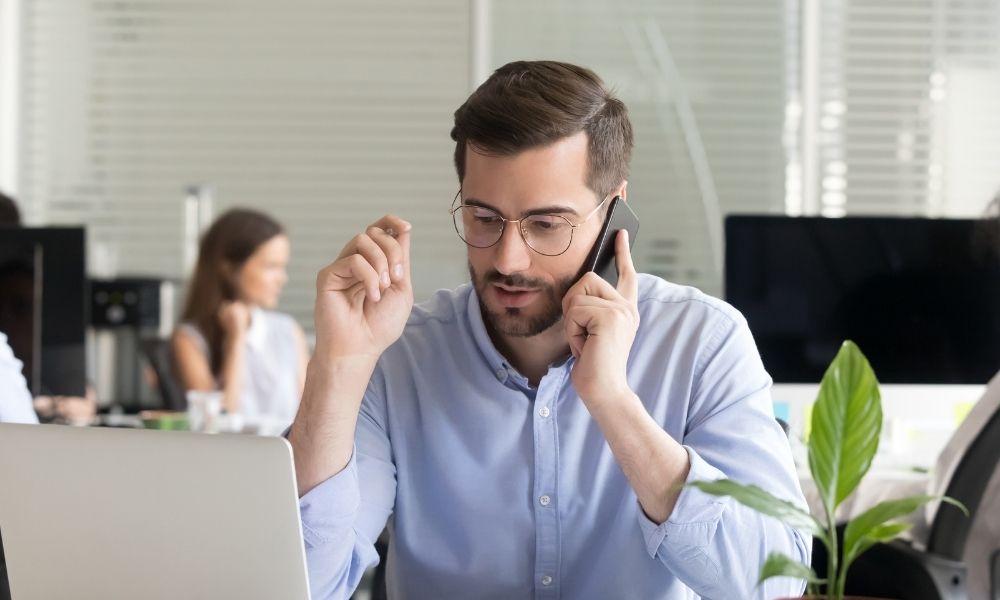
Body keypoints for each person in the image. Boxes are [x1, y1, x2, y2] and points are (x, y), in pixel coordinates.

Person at [289, 61, 810, 599]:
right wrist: (339, 366)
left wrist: (612, 402)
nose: (509, 258)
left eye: (546, 224)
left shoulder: (703, 342)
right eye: (484, 218)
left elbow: (774, 584)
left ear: (614, 212)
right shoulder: (398, 356)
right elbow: (302, 586)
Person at [172, 208, 308, 432]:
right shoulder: (189, 339)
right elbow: (217, 423)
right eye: (271, 266)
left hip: (287, 459)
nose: (282, 278)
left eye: (283, 267)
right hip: (227, 460)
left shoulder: (289, 331)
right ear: (229, 268)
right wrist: (236, 341)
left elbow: (307, 414)